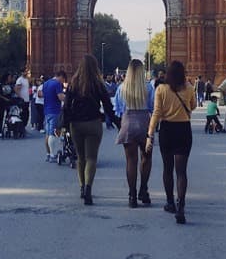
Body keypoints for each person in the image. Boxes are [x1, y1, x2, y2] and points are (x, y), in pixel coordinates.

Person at [146, 60, 196, 224]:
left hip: (167, 131)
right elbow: (193, 106)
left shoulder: (161, 89)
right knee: (181, 172)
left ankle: (170, 202)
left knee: (168, 169)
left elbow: (156, 113)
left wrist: (150, 134)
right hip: (183, 130)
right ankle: (181, 206)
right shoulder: (189, 87)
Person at [62, 56, 114, 205]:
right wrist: (117, 122)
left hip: (76, 125)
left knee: (81, 158)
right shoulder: (98, 84)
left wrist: (65, 125)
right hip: (94, 123)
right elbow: (108, 106)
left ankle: (81, 187)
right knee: (91, 158)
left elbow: (66, 107)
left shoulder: (73, 83)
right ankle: (88, 190)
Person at [114, 59, 154, 207]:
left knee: (131, 160)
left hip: (128, 123)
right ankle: (143, 190)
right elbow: (152, 108)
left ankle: (132, 195)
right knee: (146, 158)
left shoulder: (121, 88)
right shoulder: (148, 87)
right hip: (144, 124)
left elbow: (117, 110)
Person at [42, 69, 67, 161]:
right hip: (55, 110)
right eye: (63, 80)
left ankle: (48, 154)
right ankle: (52, 155)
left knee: (48, 133)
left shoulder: (46, 83)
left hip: (47, 110)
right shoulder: (57, 84)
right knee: (53, 133)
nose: (63, 82)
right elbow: (60, 96)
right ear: (61, 76)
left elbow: (43, 94)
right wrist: (69, 99)